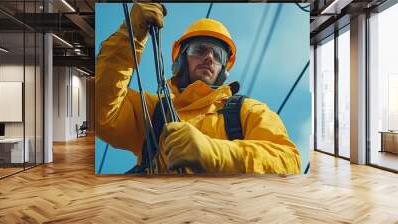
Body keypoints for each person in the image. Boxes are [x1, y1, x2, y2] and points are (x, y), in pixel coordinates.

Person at [96, 3, 301, 174]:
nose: (209, 57)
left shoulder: (247, 110)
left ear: (223, 68)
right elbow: (102, 112)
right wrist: (131, 34)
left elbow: (288, 160)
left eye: (218, 55)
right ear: (182, 59)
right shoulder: (153, 111)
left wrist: (214, 153)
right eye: (199, 49)